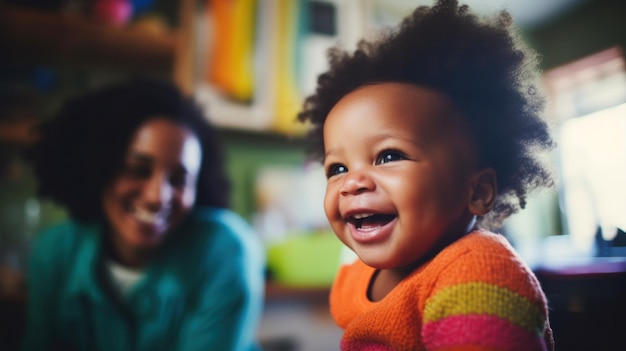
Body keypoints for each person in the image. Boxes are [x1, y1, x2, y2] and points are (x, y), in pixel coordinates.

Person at [297, 0, 555, 350]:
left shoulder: (478, 271)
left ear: (477, 191)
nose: (353, 182)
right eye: (338, 168)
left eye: (388, 156)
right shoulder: (355, 277)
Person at [21, 77, 266, 351]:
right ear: (99, 167)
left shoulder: (225, 249)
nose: (157, 197)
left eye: (179, 180)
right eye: (138, 170)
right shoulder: (54, 253)